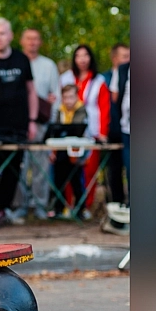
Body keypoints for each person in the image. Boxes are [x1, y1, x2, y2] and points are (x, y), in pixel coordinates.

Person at [0, 18, 38, 222]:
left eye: (2, 33)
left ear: (10, 35)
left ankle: (3, 208)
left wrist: (32, 120)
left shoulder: (22, 59)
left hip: (19, 125)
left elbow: (31, 91)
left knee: (14, 168)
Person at [59, 44, 110, 218]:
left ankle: (85, 207)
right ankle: (68, 206)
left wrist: (102, 132)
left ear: (90, 58)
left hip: (92, 132)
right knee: (67, 169)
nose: (82, 59)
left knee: (89, 170)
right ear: (74, 58)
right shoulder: (66, 78)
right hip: (68, 131)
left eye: (85, 55)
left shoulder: (99, 80)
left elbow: (104, 107)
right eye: (78, 55)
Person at [18, 28, 61, 220]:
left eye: (35, 39)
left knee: (41, 167)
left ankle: (40, 206)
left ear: (40, 42)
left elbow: (56, 96)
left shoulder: (48, 65)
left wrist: (52, 122)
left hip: (42, 123)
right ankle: (20, 206)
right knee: (20, 166)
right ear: (22, 41)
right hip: (18, 123)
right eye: (28, 38)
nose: (32, 42)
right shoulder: (16, 61)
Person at [48, 83, 89, 218]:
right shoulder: (60, 110)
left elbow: (76, 128)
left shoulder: (81, 109)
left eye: (71, 97)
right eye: (65, 97)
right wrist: (53, 152)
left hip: (76, 151)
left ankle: (80, 209)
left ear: (76, 97)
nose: (68, 101)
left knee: (77, 181)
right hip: (61, 150)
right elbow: (55, 131)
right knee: (58, 180)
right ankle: (58, 208)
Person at [101, 43, 130, 205]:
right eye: (125, 56)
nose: (129, 59)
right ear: (114, 58)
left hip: (127, 128)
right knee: (114, 167)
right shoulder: (104, 78)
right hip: (114, 128)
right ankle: (116, 202)